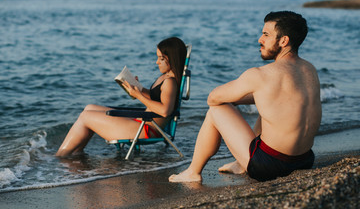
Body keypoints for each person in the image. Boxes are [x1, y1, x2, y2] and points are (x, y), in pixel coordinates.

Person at [169, 11, 322, 182]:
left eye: (266, 35)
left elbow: (213, 98)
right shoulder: (310, 70)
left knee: (216, 110)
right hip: (305, 161)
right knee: (268, 106)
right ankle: (240, 164)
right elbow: (278, 97)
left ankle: (193, 172)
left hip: (269, 166)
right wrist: (248, 96)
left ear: (283, 41)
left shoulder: (260, 75)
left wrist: (232, 99)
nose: (260, 39)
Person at [56, 37, 187, 157]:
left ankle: (61, 157)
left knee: (85, 117)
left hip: (146, 130)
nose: (157, 62)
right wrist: (137, 88)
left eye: (161, 58)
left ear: (172, 58)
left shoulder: (170, 82)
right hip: (143, 124)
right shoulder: (165, 78)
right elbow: (156, 98)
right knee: (89, 108)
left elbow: (165, 111)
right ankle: (76, 152)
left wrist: (138, 96)